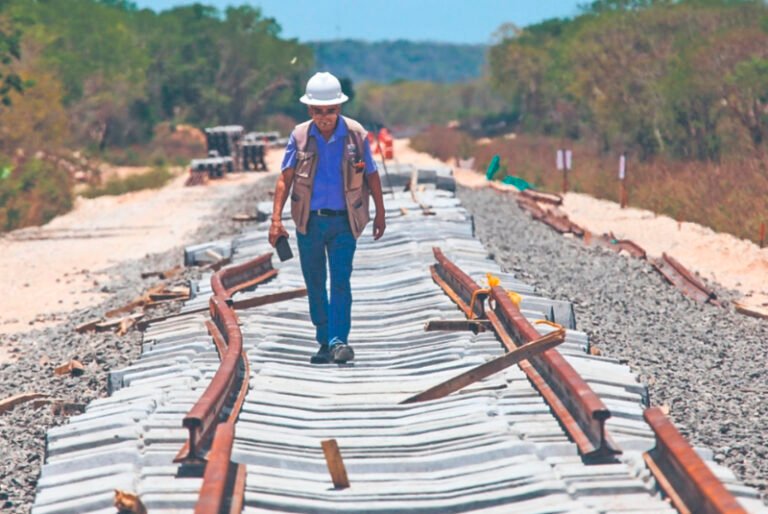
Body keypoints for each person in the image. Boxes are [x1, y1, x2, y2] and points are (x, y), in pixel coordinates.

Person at [269, 72, 386, 364]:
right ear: (310, 110)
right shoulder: (299, 136)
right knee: (315, 281)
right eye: (319, 111)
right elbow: (285, 179)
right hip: (309, 222)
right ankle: (324, 340)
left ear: (339, 109)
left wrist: (380, 213)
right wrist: (276, 220)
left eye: (330, 111)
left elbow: (371, 174)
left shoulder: (356, 135)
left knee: (341, 280)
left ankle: (338, 341)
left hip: (345, 222)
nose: (325, 117)